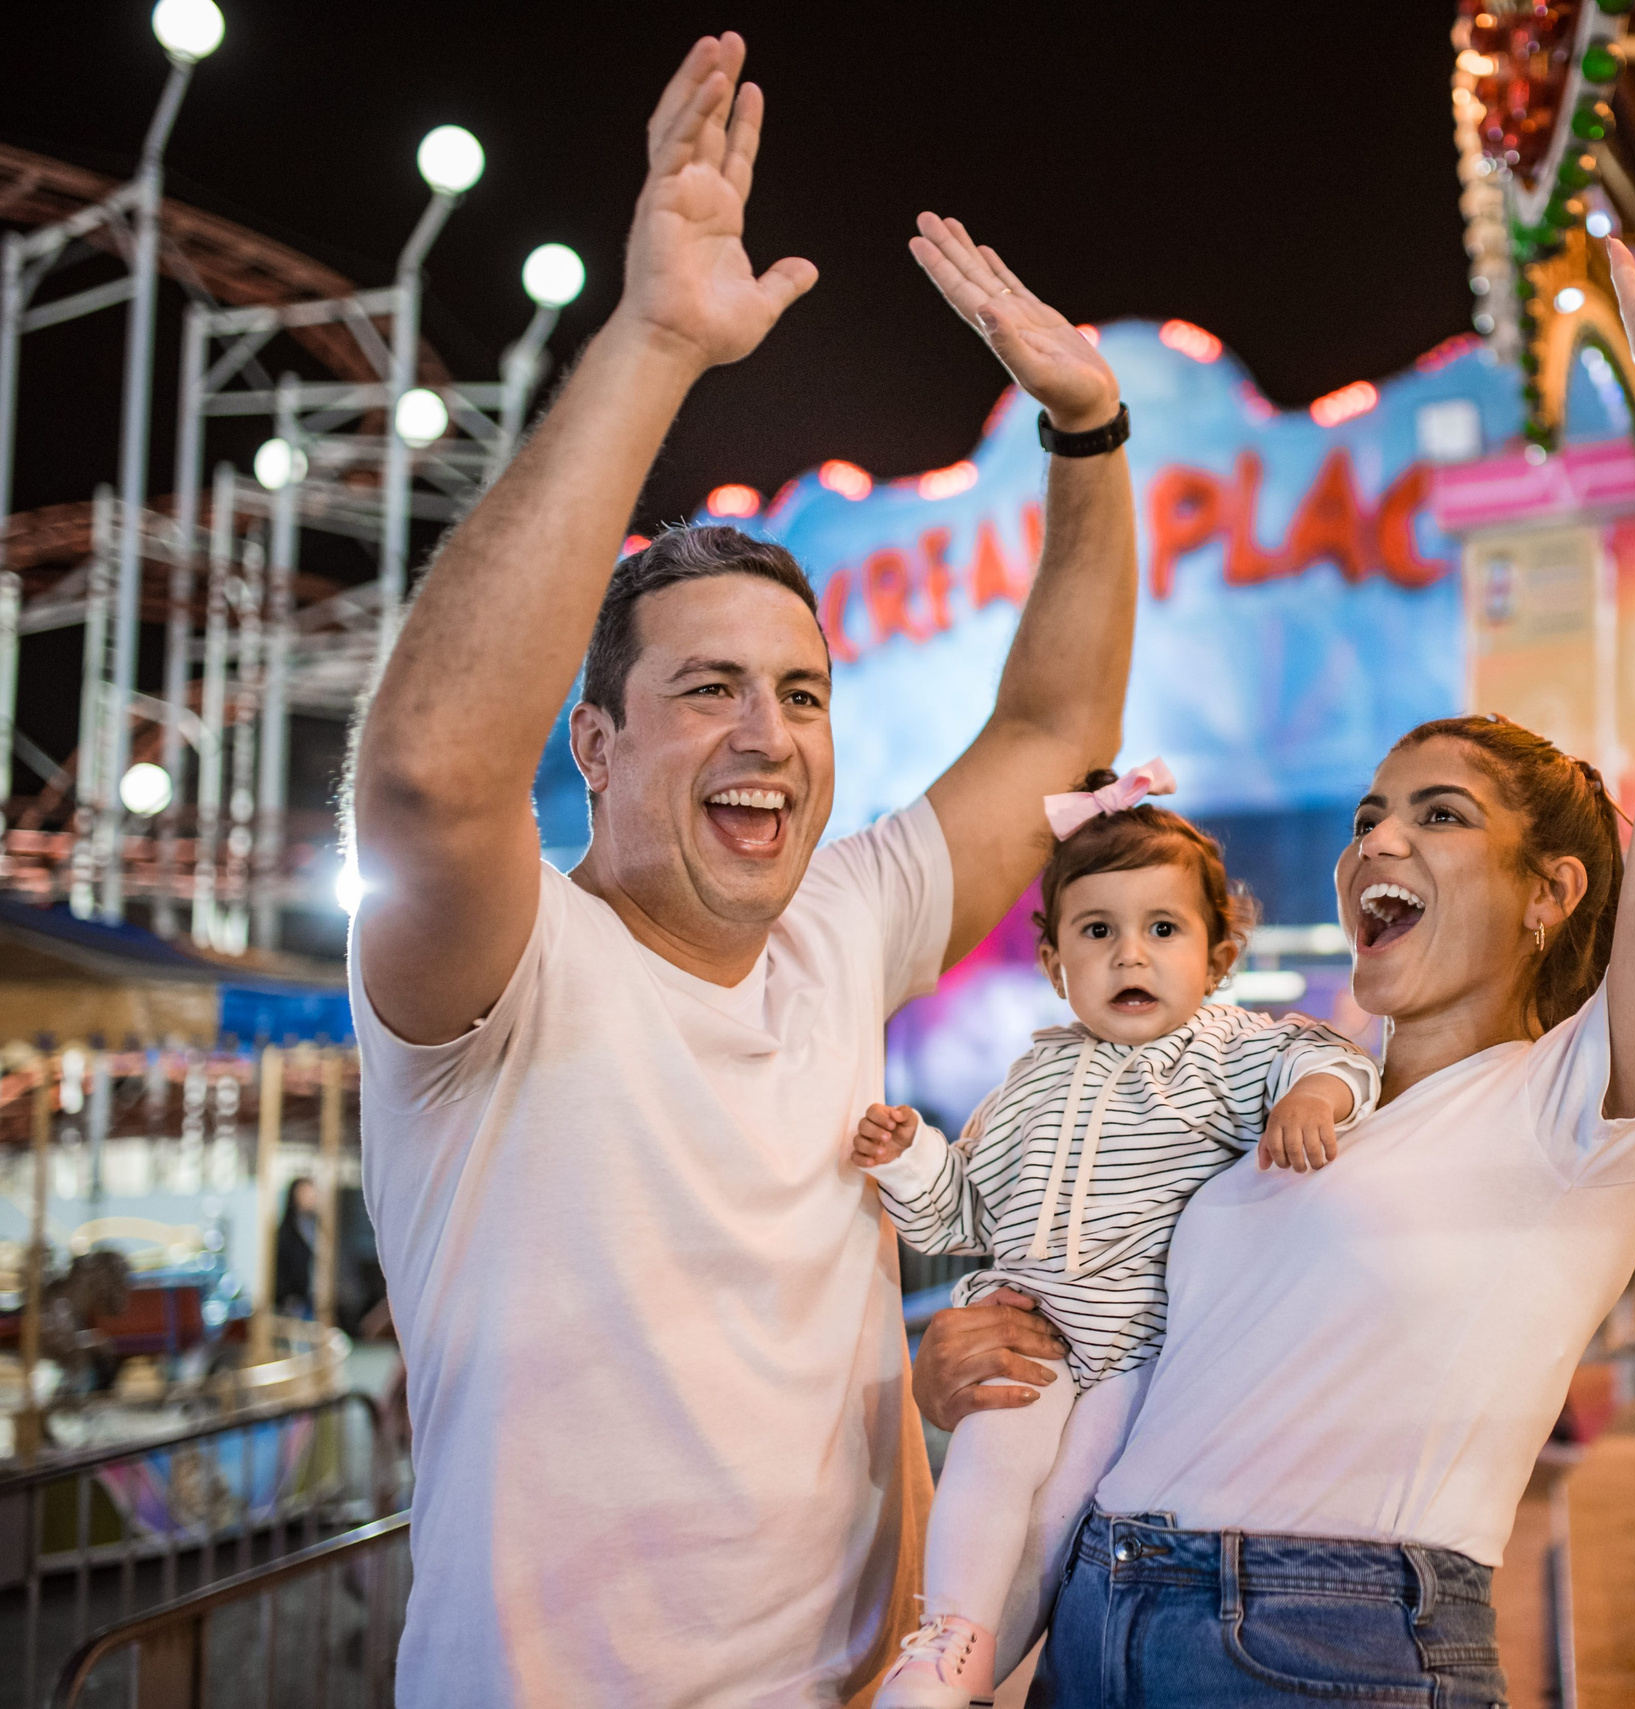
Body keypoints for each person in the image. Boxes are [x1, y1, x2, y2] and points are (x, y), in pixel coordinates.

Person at [913, 191, 1635, 1706]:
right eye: (1368, 813)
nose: (1376, 842)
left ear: (1549, 892)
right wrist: (971, 1364)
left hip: (1320, 1644)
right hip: (1097, 1618)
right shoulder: (1252, 1092)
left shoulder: (1586, 1103)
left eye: (1442, 816)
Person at [349, 34, 1134, 1705]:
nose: (768, 732)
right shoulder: (504, 971)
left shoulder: (837, 929)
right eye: (706, 688)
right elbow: (423, 774)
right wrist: (653, 339)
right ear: (598, 746)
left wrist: (1090, 432)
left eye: (800, 690)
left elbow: (1056, 724)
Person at [854, 766, 1377, 1707]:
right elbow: (961, 1215)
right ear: (1057, 963)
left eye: (1162, 929)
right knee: (989, 1462)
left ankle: (984, 1667)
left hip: (1143, 1357)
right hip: (1035, 1335)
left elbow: (1332, 1053)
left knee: (1057, 1523)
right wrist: (910, 1160)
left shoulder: (1230, 1052)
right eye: (1098, 932)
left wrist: (1314, 1094)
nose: (1130, 954)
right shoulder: (1030, 1080)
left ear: (1217, 956)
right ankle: (947, 1642)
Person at [271, 1177, 319, 1319]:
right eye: (306, 1194)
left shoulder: (318, 1229)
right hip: (294, 1303)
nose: (312, 1199)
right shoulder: (287, 1233)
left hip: (313, 1298)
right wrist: (287, 1296)